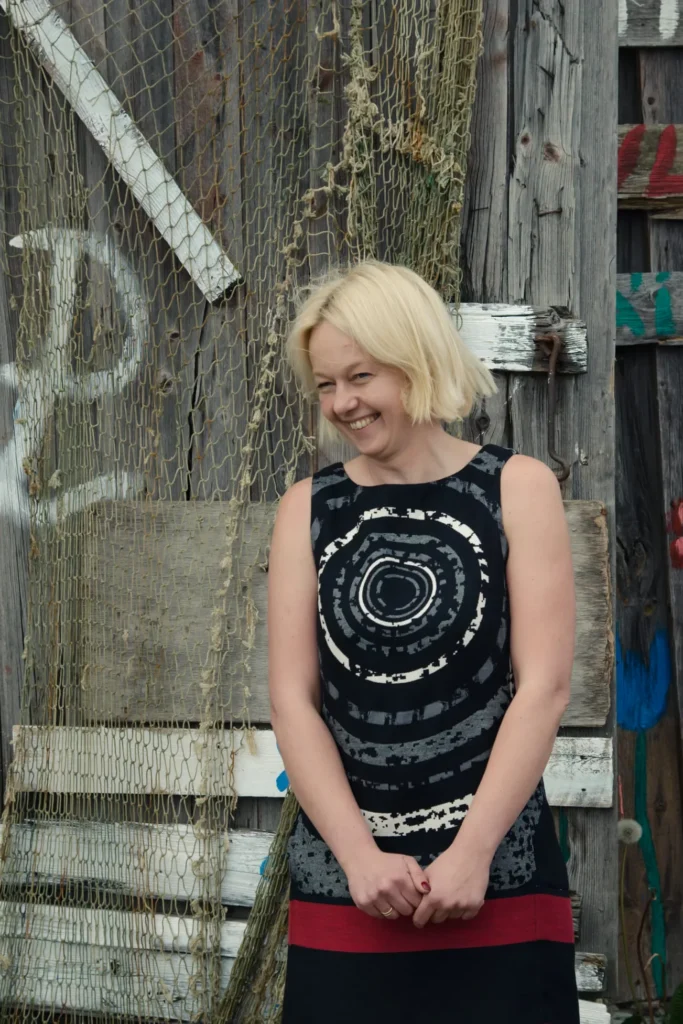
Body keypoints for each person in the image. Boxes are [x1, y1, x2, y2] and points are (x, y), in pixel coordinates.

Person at [268, 260, 580, 1023]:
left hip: (497, 874)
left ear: (415, 359)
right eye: (323, 384)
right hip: (349, 883)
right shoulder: (307, 508)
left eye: (360, 376)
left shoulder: (518, 487)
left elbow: (542, 686)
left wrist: (471, 853)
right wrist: (357, 859)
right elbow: (292, 698)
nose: (341, 403)